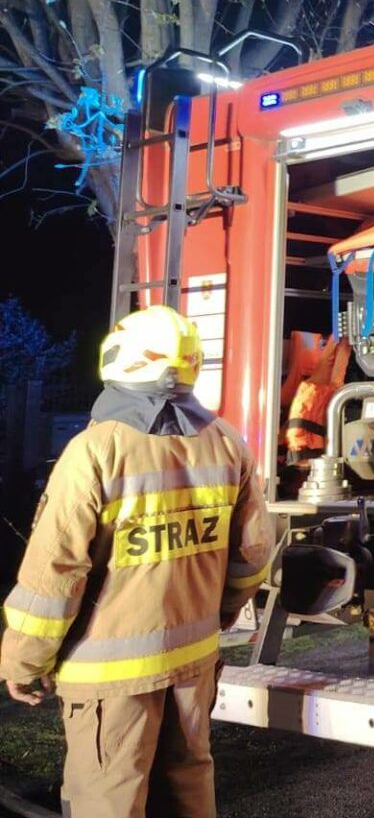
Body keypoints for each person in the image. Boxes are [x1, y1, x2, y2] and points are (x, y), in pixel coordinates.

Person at [0, 305, 274, 818]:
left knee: (110, 800)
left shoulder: (95, 450)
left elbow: (54, 574)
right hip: (193, 662)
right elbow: (253, 554)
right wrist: (220, 613)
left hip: (110, 679)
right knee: (189, 789)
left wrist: (24, 661)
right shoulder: (226, 442)